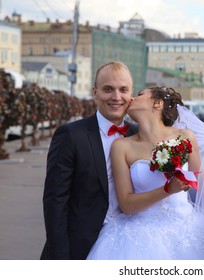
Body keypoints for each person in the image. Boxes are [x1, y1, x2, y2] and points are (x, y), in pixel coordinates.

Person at [87, 87, 204, 260]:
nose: (131, 99)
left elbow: (202, 183)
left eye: (140, 95)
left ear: (157, 103)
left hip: (185, 233)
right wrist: (168, 189)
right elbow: (127, 204)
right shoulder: (121, 146)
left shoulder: (185, 137)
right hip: (138, 237)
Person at [40, 61, 136, 259]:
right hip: (80, 246)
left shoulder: (140, 135)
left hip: (129, 245)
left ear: (131, 93)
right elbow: (55, 201)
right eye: (108, 89)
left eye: (123, 90)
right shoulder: (70, 135)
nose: (116, 97)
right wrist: (60, 256)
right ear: (95, 92)